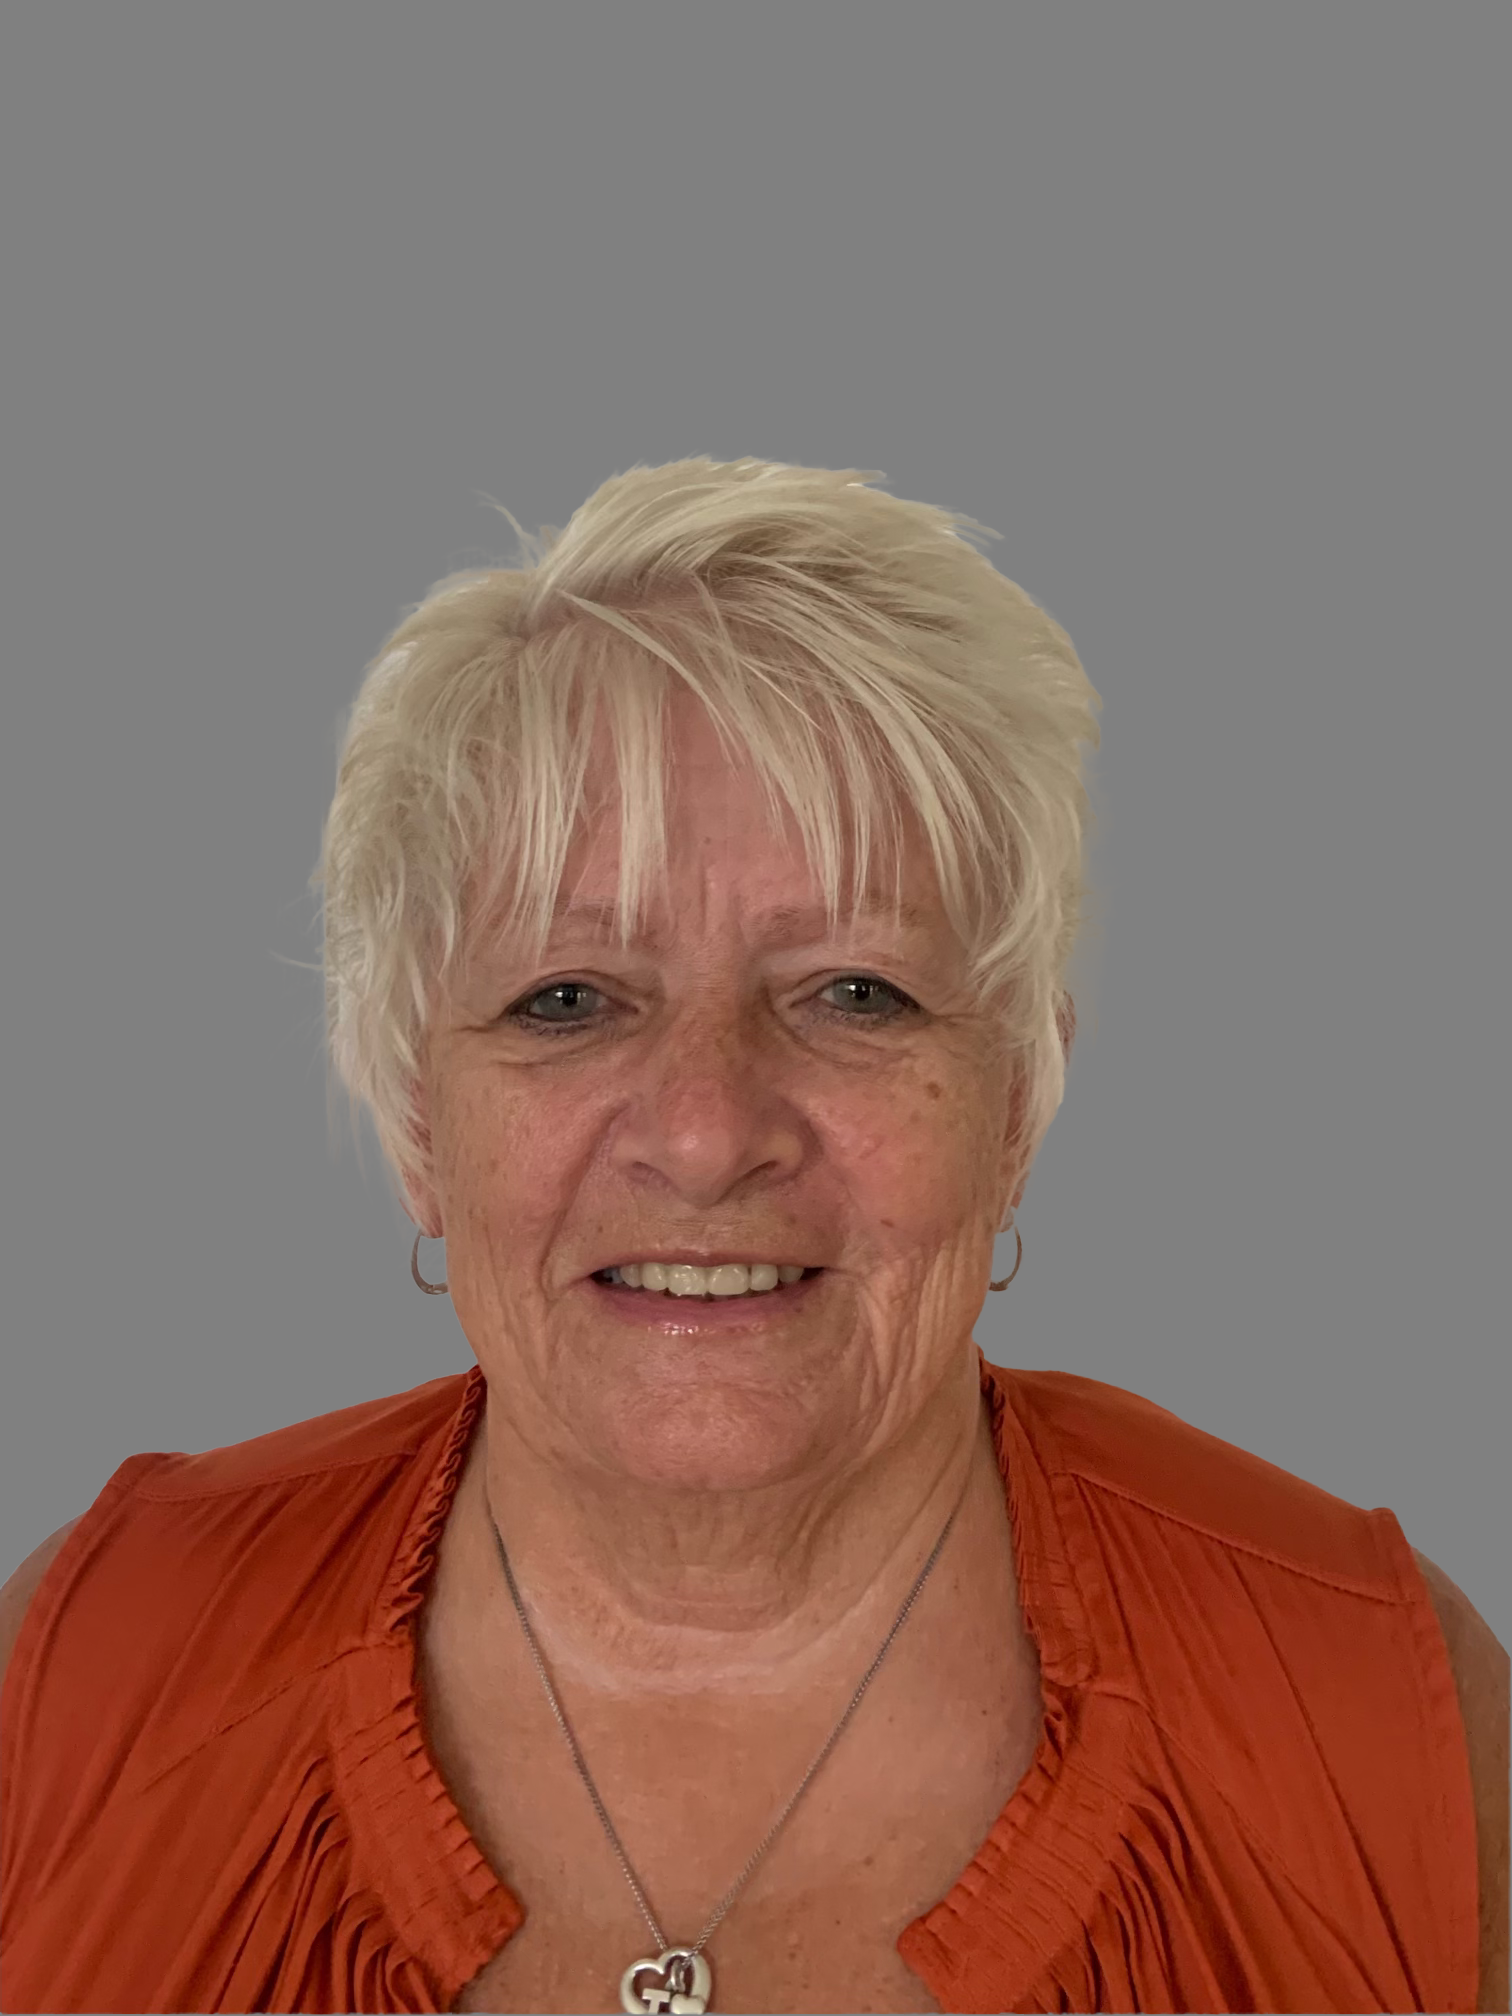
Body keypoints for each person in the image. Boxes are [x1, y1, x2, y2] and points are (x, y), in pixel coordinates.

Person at [1, 457, 1504, 2016]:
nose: (710, 1131)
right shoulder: (89, 1677)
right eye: (566, 999)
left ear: (1015, 1110)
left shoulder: (1386, 1727)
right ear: (417, 1122)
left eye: (857, 991)